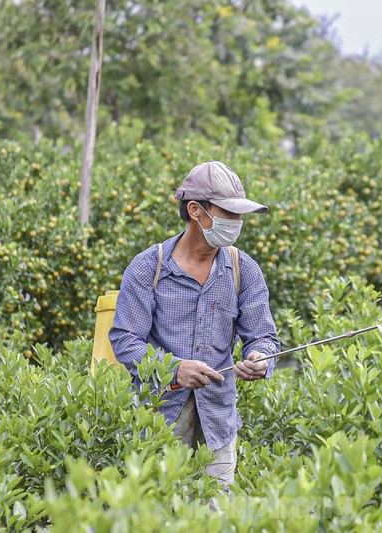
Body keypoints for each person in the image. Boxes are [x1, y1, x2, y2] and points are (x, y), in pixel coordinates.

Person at [109, 159, 280, 489]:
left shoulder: (244, 269)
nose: (237, 222)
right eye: (228, 213)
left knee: (216, 512)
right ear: (195, 210)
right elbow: (125, 338)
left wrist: (261, 359)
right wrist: (174, 368)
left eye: (239, 215)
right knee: (157, 511)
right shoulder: (150, 267)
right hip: (159, 417)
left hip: (218, 420)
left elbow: (264, 336)